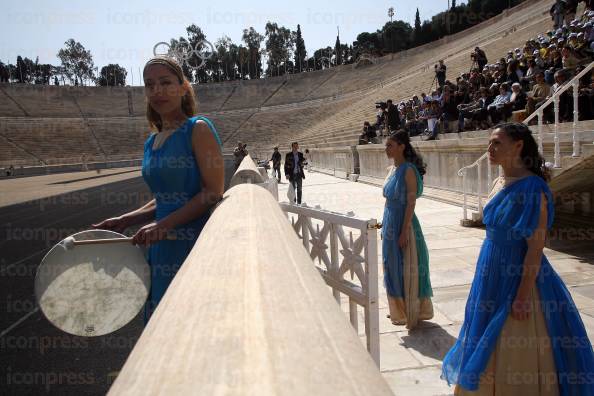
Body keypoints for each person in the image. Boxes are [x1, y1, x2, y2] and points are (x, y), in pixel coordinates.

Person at [441, 123, 594, 395]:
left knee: (509, 339)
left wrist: (523, 296)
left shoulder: (533, 189)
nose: (490, 148)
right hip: (490, 266)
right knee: (482, 329)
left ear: (518, 146)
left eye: (497, 143)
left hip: (521, 276)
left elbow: (535, 249)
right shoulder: (499, 181)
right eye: (490, 142)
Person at [92, 56, 224, 321]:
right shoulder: (151, 141)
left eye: (165, 82)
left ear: (183, 86)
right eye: (150, 85)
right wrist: (128, 219)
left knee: (184, 320)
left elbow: (213, 191)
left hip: (190, 240)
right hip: (160, 244)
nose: (157, 91)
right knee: (158, 318)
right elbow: (164, 198)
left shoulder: (197, 129)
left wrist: (163, 226)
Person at [382, 130, 433, 330]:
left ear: (402, 146)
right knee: (391, 265)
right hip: (389, 222)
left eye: (390, 145)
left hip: (404, 223)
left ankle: (414, 309)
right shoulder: (392, 169)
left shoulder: (408, 170)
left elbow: (411, 203)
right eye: (386, 145)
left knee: (408, 266)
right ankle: (398, 309)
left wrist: (404, 231)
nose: (387, 149)